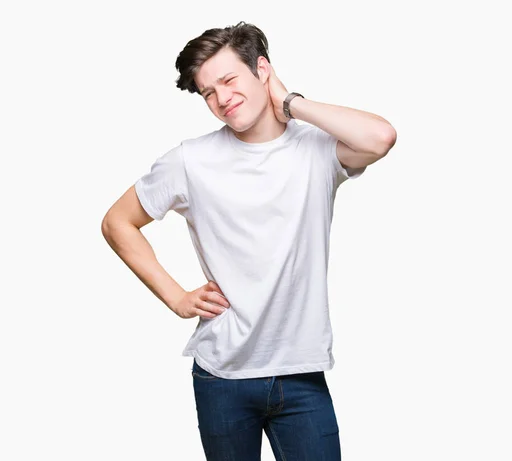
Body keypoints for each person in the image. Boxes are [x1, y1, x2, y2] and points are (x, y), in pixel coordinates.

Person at [101, 21, 396, 461]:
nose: (221, 99)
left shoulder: (316, 149)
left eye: (228, 80)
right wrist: (176, 297)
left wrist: (291, 102)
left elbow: (381, 137)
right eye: (208, 92)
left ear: (262, 70)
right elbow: (117, 222)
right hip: (222, 374)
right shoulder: (190, 160)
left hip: (300, 373)